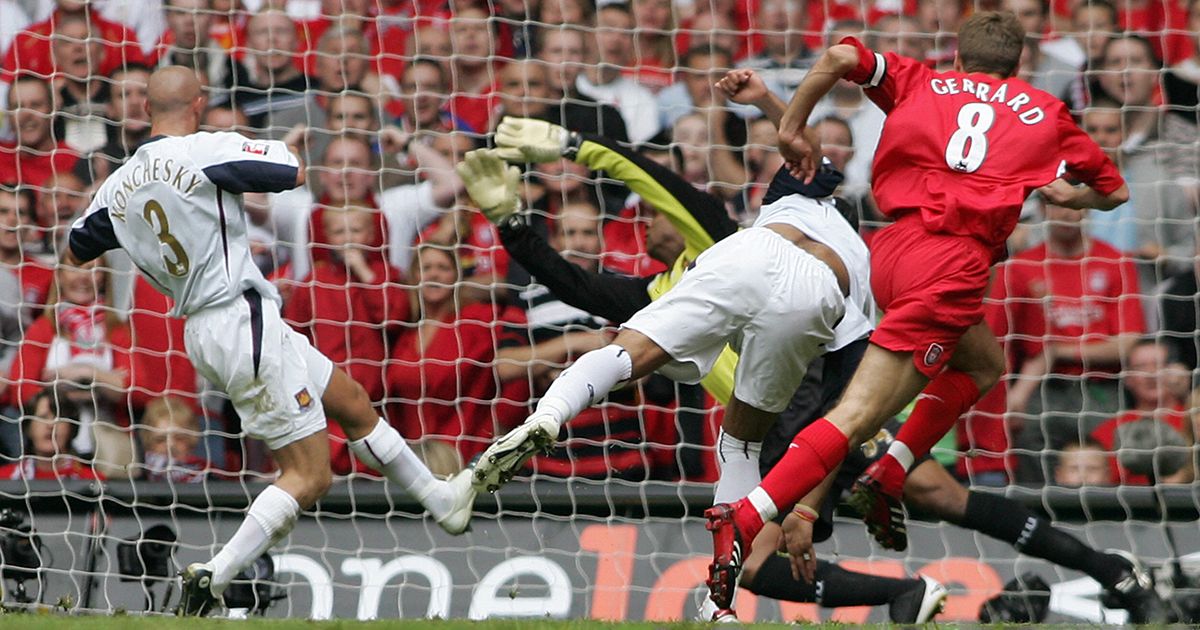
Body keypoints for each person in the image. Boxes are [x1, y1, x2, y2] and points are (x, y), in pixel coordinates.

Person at [704, 10, 1128, 603]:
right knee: (854, 417)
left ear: (957, 57)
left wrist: (790, 127)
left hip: (893, 250)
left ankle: (894, 468)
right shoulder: (1046, 113)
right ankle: (745, 521)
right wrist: (1069, 195)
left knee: (982, 364)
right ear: (1019, 66)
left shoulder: (924, 79)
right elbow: (1116, 192)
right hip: (952, 264)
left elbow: (840, 56)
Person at [461, 116, 947, 623]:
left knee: (633, 358)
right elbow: (576, 287)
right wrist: (513, 225)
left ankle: (551, 412)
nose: (648, 221)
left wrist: (576, 144)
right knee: (755, 547)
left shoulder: (713, 233)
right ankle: (766, 603)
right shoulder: (659, 288)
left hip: (808, 402)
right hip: (795, 370)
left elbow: (653, 178)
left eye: (655, 215)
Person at [62, 66, 474, 616]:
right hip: (239, 318)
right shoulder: (207, 149)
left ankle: (439, 498)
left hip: (207, 326)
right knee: (311, 473)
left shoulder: (119, 183)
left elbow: (75, 245)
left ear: (142, 112)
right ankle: (214, 575)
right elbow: (293, 171)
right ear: (200, 104)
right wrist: (274, 147)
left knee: (351, 403)